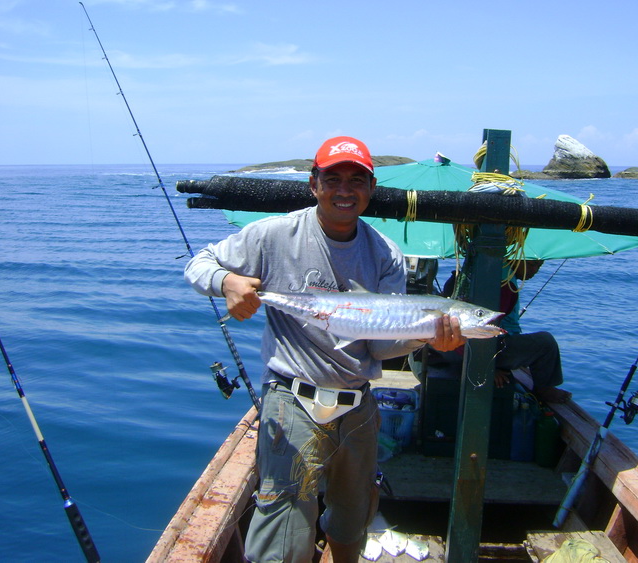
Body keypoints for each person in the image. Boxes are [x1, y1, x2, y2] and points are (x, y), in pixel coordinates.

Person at [184, 136, 465, 563]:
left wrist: (430, 339)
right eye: (332, 179)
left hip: (358, 406)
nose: (344, 190)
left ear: (371, 189)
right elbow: (199, 263)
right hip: (292, 399)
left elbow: (382, 345)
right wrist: (230, 283)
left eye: (356, 180)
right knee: (284, 532)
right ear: (313, 184)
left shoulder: (384, 253)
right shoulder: (275, 234)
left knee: (353, 519)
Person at [443, 260, 571, 404]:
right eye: (532, 265)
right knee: (546, 343)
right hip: (468, 353)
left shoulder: (468, 273)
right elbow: (481, 332)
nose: (535, 271)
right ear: (514, 261)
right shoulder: (504, 285)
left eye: (538, 267)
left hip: (449, 350)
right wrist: (486, 367)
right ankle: (544, 389)